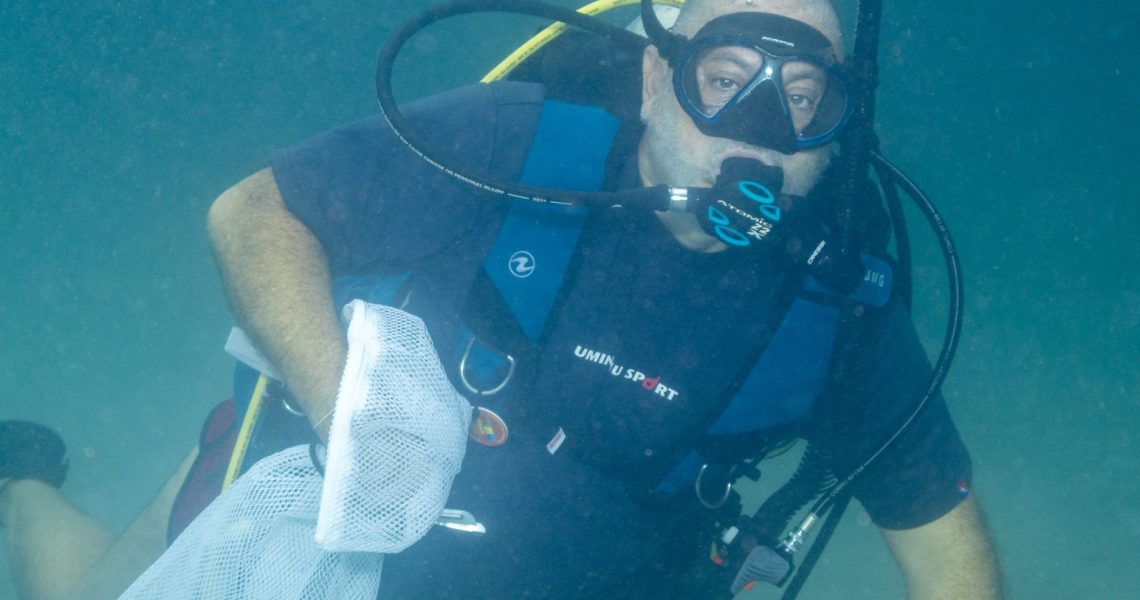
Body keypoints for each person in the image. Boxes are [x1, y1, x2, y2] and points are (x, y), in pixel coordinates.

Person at [1, 0, 1001, 598]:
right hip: (338, 526)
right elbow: (253, 213)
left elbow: (948, 547)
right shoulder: (515, 147)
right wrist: (348, 417)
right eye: (725, 77)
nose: (755, 130)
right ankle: (21, 482)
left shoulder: (837, 316)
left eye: (797, 102)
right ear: (656, 78)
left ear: (833, 130)